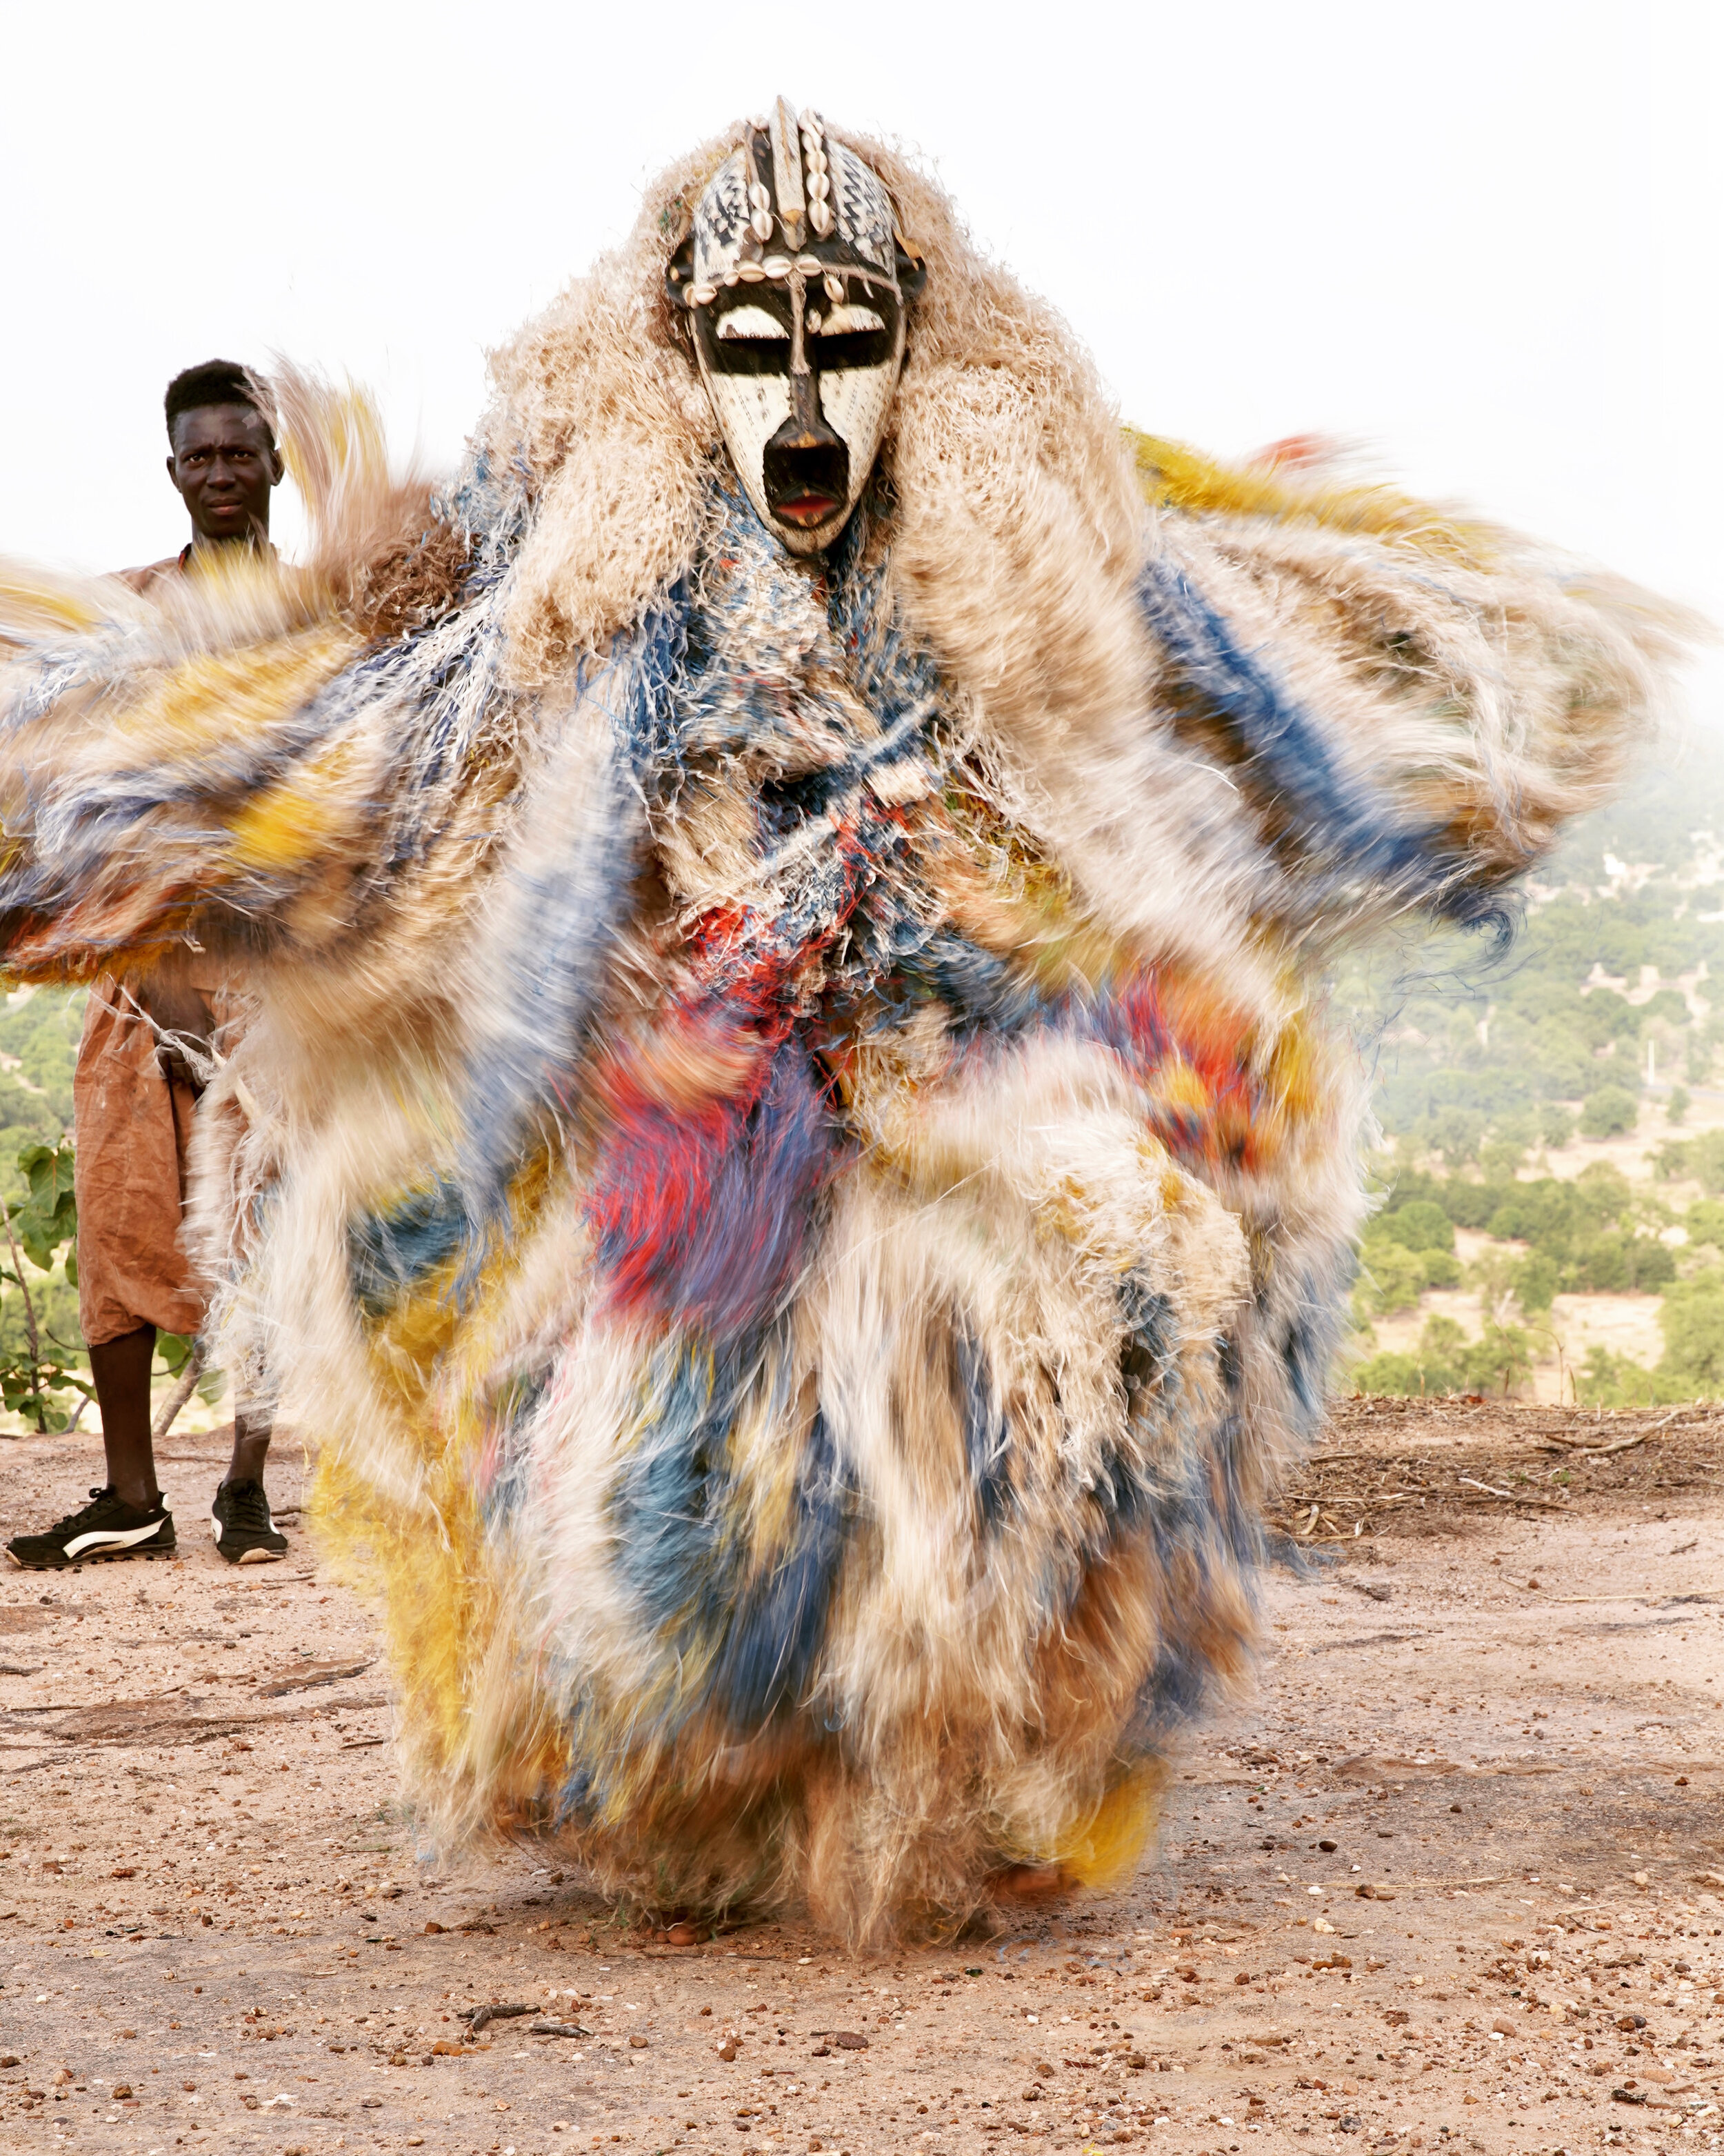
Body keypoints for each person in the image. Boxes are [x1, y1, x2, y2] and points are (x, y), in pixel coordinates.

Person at [0, 106, 1684, 1934]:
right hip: (692, 1085)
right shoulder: (588, 545)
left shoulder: (1020, 514)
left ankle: (983, 1760)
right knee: (662, 1458)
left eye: (846, 336)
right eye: (748, 344)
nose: (802, 400)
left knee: (1132, 1281)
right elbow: (373, 706)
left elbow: (1221, 671)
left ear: (917, 340)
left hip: (958, 1046)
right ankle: (691, 1791)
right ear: (679, 357)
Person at [4, 362, 288, 1570]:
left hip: (280, 975)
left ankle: (243, 1491)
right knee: (123, 1223)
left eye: (241, 452)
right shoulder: (128, 612)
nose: (221, 474)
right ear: (174, 471)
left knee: (269, 1224)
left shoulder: (323, 614)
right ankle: (131, 1492)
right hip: (140, 967)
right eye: (200, 458)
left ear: (277, 461)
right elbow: (63, 761)